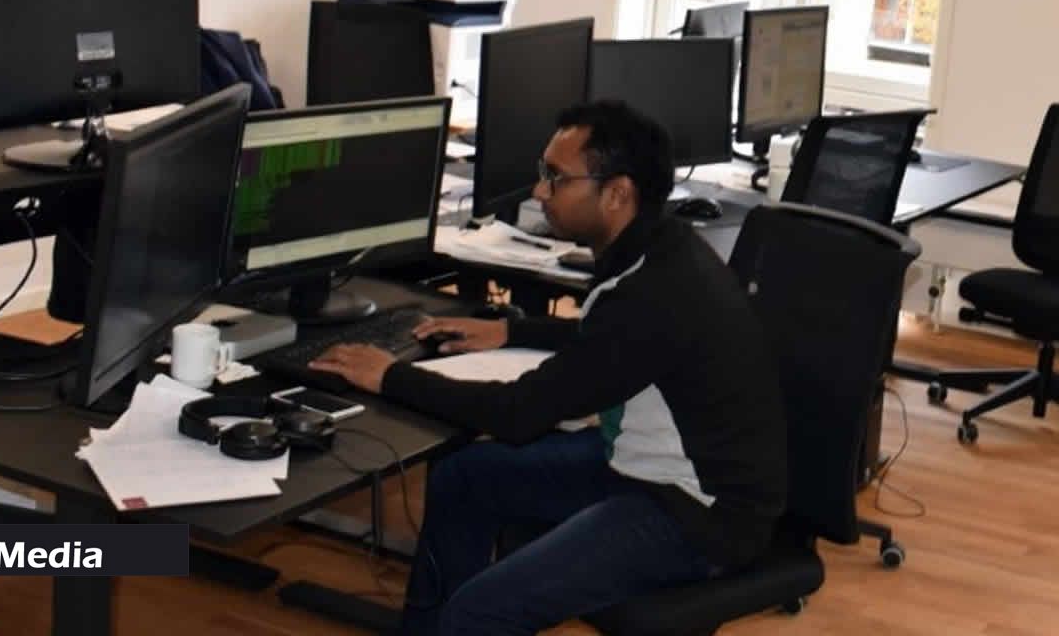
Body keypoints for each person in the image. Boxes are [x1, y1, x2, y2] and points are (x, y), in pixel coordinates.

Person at [309, 101, 787, 635]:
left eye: (555, 178)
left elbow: (520, 413)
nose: (539, 192)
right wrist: (512, 330)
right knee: (465, 476)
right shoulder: (661, 250)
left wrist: (390, 375)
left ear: (616, 193)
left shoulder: (652, 292)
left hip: (697, 516)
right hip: (648, 472)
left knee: (481, 611)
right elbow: (610, 345)